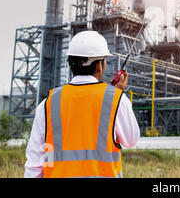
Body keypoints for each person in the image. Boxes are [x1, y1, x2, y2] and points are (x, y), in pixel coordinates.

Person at [24, 30, 140, 178]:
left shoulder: (48, 103)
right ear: (99, 65)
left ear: (71, 64)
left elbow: (35, 162)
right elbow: (131, 140)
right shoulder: (116, 100)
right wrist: (117, 96)